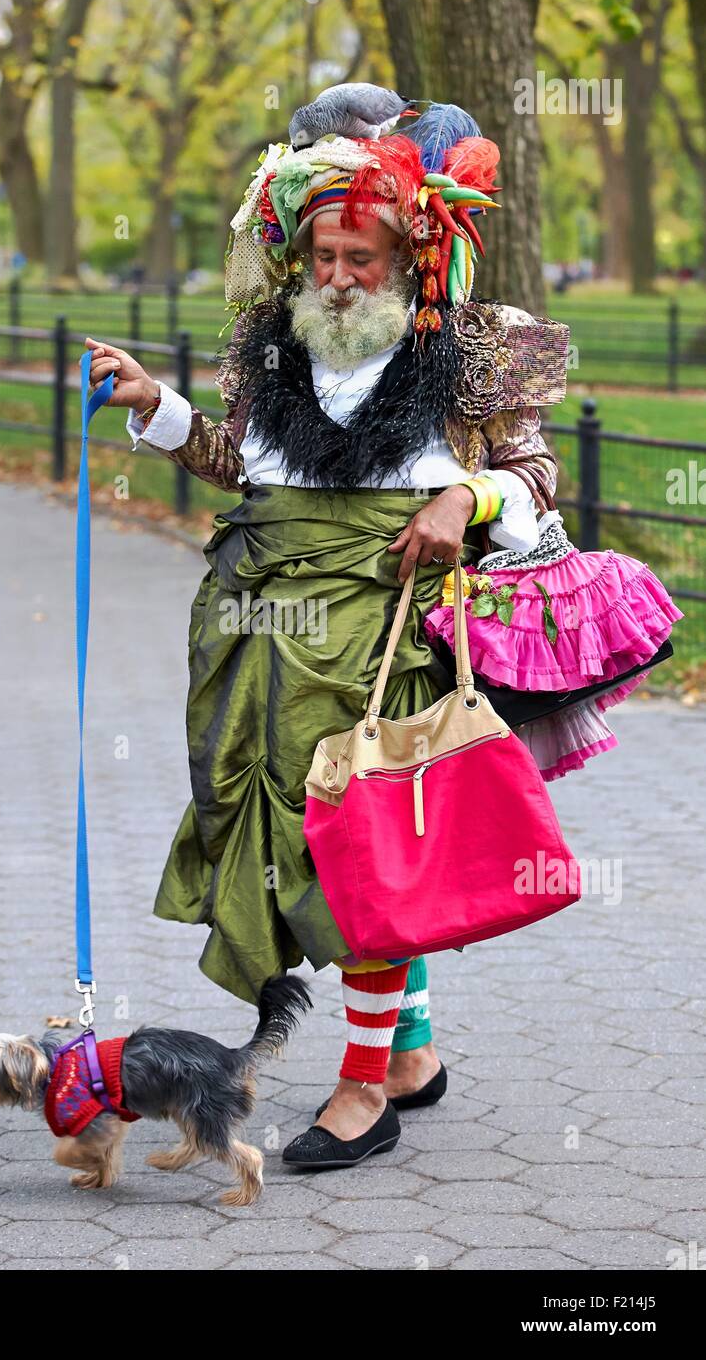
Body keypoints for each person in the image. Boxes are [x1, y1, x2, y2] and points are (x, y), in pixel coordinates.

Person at [85, 103, 569, 1168]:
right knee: (289, 840)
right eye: (322, 254)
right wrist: (155, 404)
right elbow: (241, 460)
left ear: (409, 257)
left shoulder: (469, 354)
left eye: (360, 255)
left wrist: (468, 501)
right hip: (257, 625)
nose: (338, 275)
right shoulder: (276, 347)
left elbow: (536, 478)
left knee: (356, 848)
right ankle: (410, 1056)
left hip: (382, 624)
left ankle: (362, 1090)